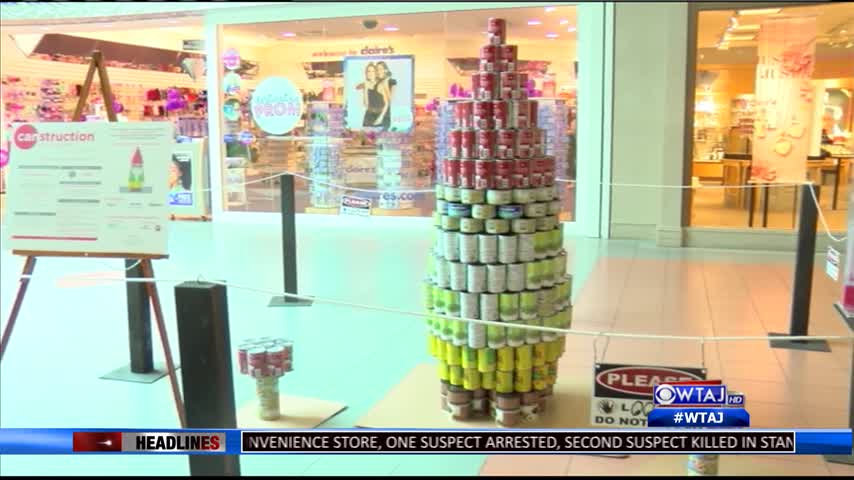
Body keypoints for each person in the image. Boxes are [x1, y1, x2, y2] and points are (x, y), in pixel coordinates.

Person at [374, 61, 397, 130]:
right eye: (377, 69)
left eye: (381, 69)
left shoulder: (391, 81)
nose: (379, 71)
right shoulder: (377, 83)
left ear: (385, 70)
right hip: (376, 113)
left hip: (385, 115)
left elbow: (389, 101)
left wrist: (381, 117)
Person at [360, 63, 383, 127]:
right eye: (368, 71)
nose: (370, 73)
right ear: (366, 73)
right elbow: (366, 104)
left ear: (376, 72)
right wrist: (365, 88)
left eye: (372, 71)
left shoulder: (381, 84)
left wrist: (381, 117)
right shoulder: (366, 85)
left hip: (380, 115)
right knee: (366, 136)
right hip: (369, 115)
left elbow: (387, 102)